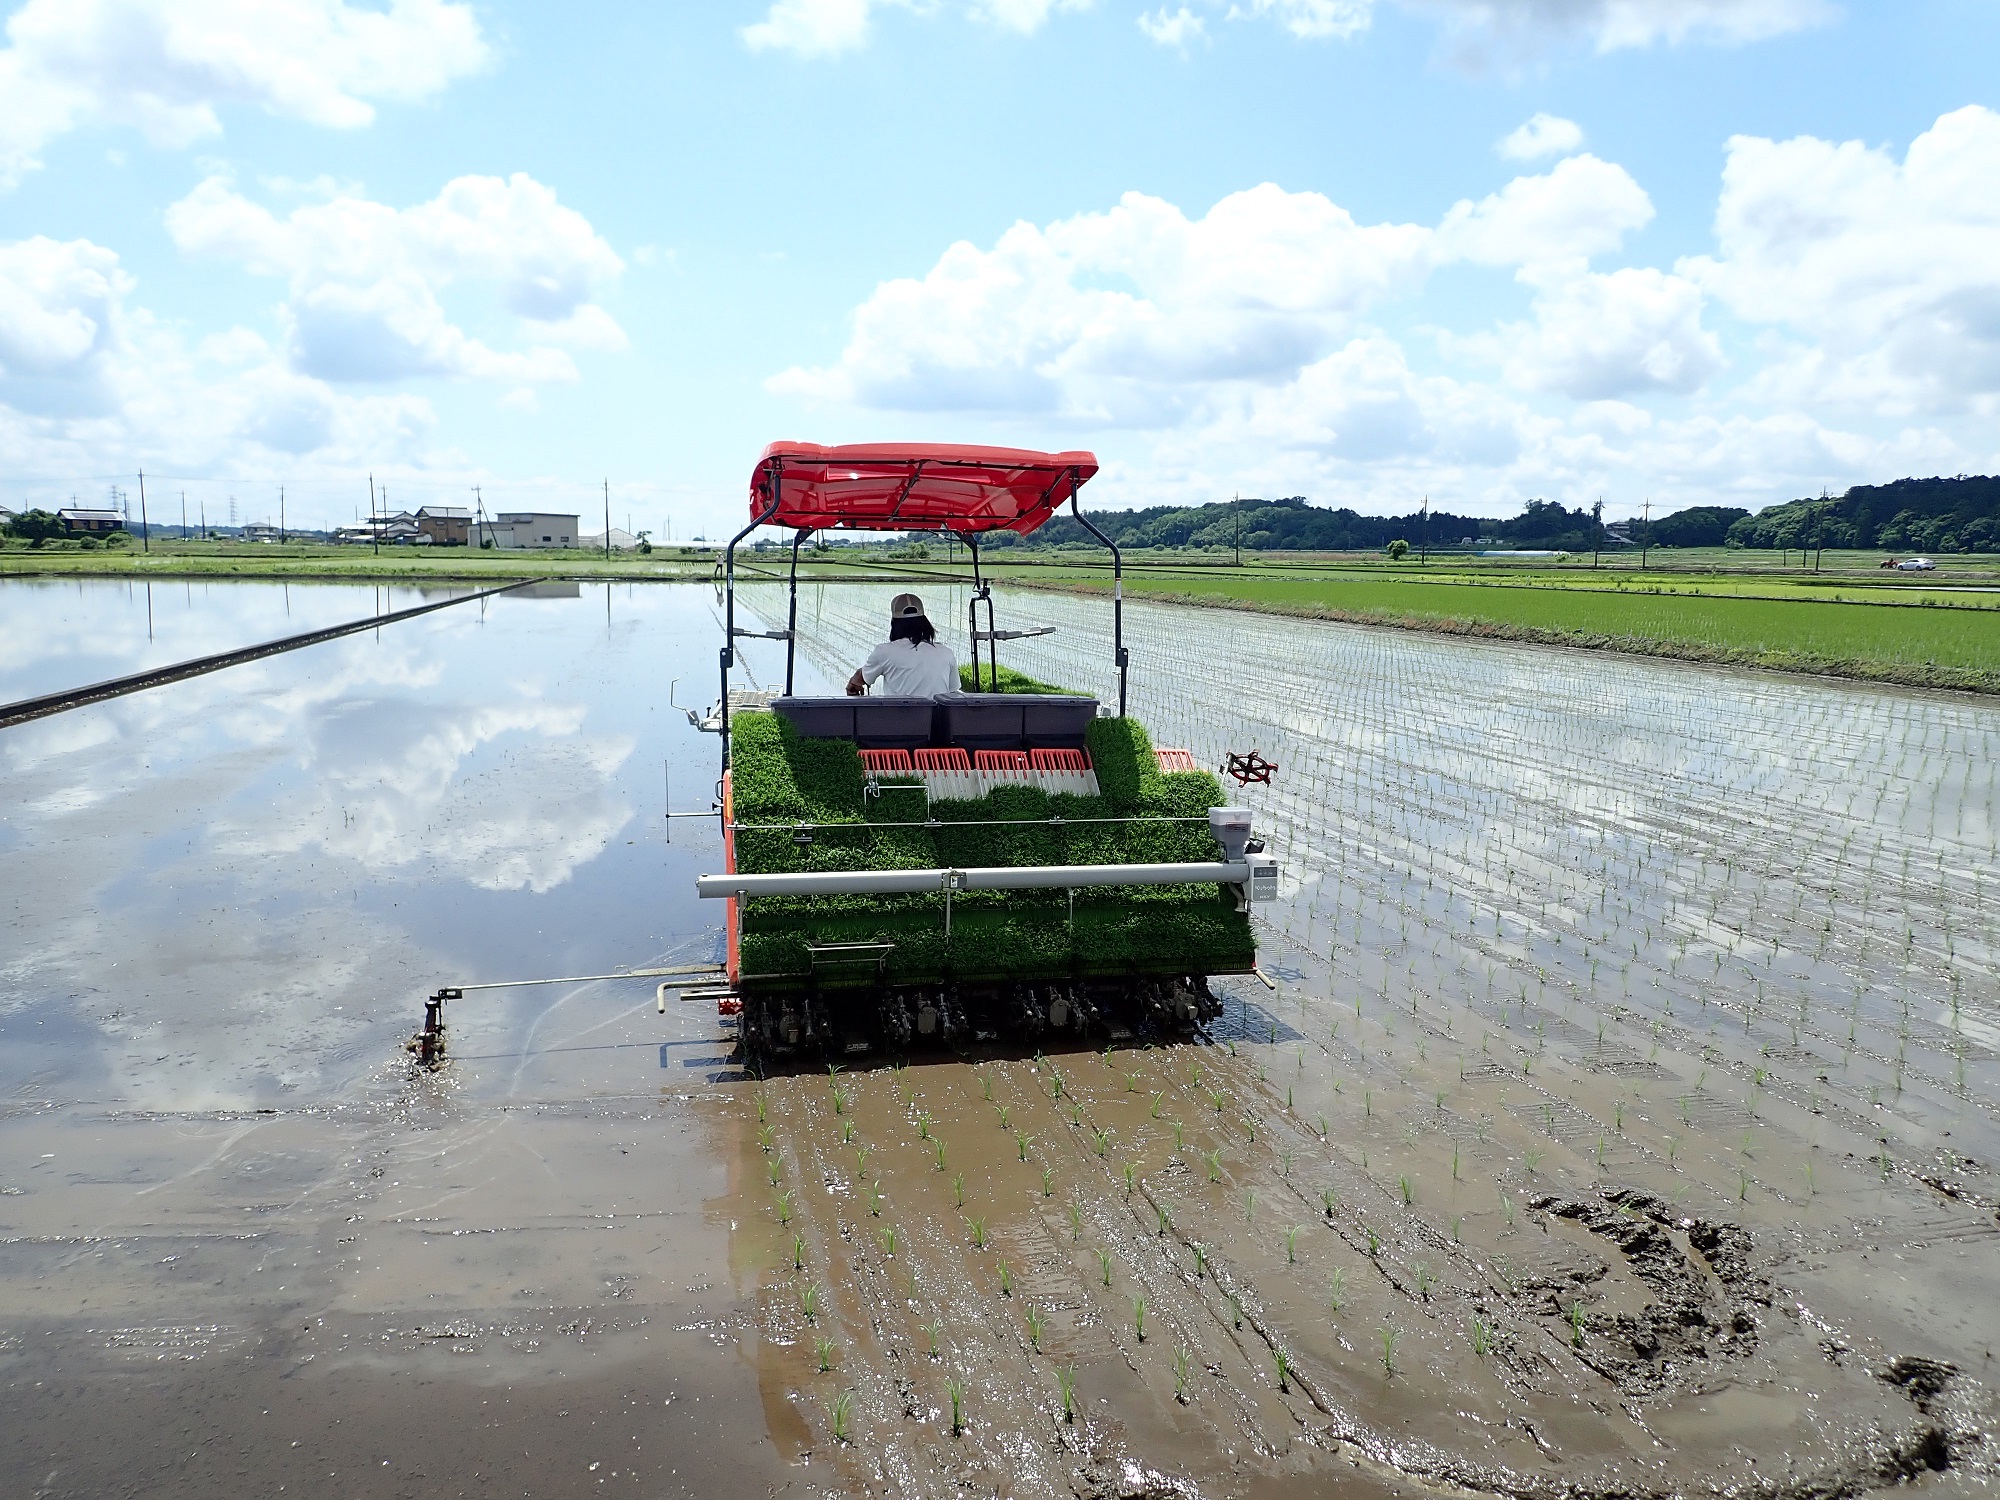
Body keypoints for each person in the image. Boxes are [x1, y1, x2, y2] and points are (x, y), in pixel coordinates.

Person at [847, 593, 958, 697]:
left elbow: (862, 678)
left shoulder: (884, 652)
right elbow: (953, 691)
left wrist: (854, 682)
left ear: (894, 623)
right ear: (924, 622)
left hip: (899, 717)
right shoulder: (946, 652)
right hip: (937, 717)